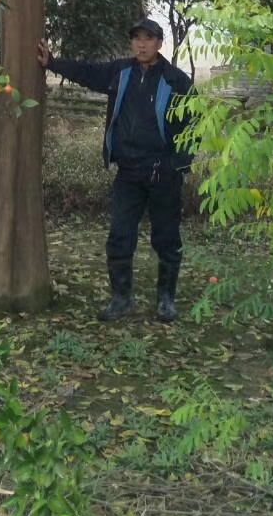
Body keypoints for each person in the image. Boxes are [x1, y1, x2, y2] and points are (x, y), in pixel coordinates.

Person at [37, 18, 194, 323]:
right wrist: (52, 63)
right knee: (120, 237)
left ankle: (166, 301)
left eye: (148, 38)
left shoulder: (177, 80)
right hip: (129, 174)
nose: (142, 44)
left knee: (167, 239)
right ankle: (121, 299)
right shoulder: (120, 73)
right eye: (137, 38)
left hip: (163, 174)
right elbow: (87, 72)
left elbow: (195, 124)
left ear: (159, 43)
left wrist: (179, 163)